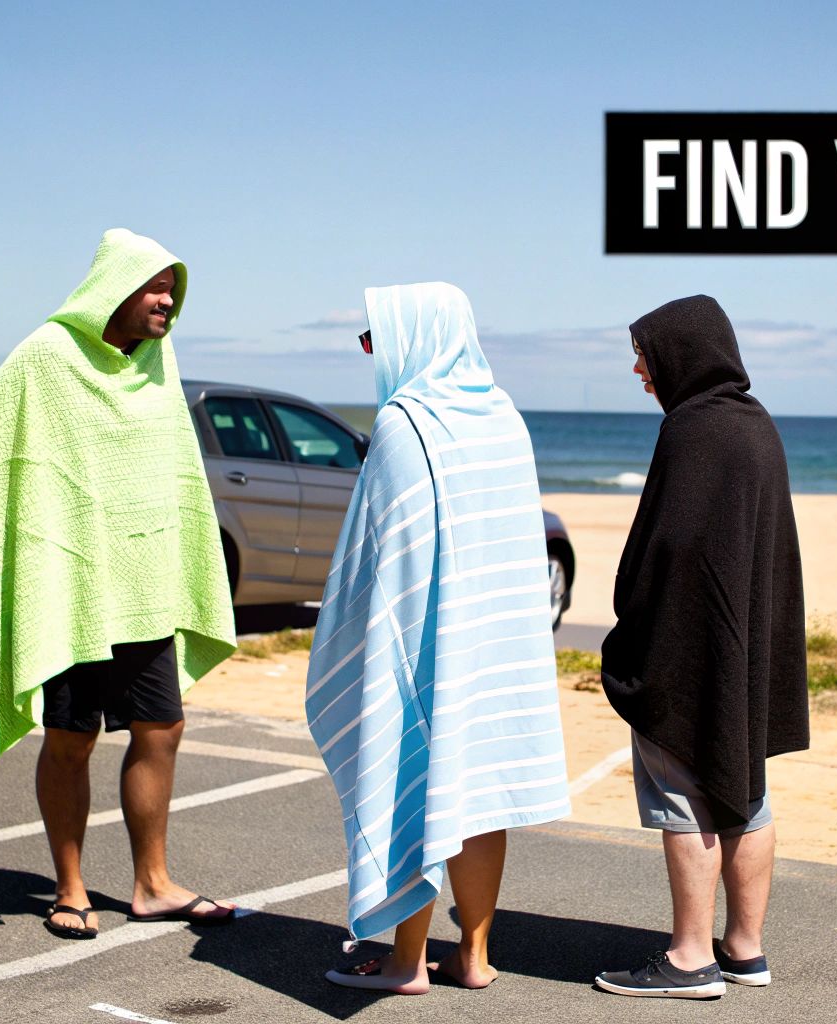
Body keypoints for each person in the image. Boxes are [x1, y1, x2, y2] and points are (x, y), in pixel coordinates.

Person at [0, 228, 240, 940]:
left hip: (145, 584)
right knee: (72, 737)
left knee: (163, 727)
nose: (167, 302)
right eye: (155, 288)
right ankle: (70, 889)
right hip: (69, 584)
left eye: (173, 290)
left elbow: (171, 465)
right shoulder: (47, 353)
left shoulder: (159, 361)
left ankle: (153, 884)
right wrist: (8, 525)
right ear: (115, 289)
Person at [305, 282, 570, 994]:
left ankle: (405, 961)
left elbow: (379, 553)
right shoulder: (503, 416)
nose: (370, 351)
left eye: (376, 337)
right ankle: (474, 955)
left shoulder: (405, 422)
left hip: (425, 637)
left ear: (418, 336)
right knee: (477, 789)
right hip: (494, 645)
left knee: (415, 773)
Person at [593, 294, 808, 999]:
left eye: (646, 356)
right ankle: (745, 948)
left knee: (684, 796)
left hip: (686, 651)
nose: (639, 370)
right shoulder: (755, 424)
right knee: (745, 793)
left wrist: (633, 630)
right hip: (745, 652)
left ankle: (689, 958)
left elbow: (669, 549)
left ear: (682, 352)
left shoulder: (692, 430)